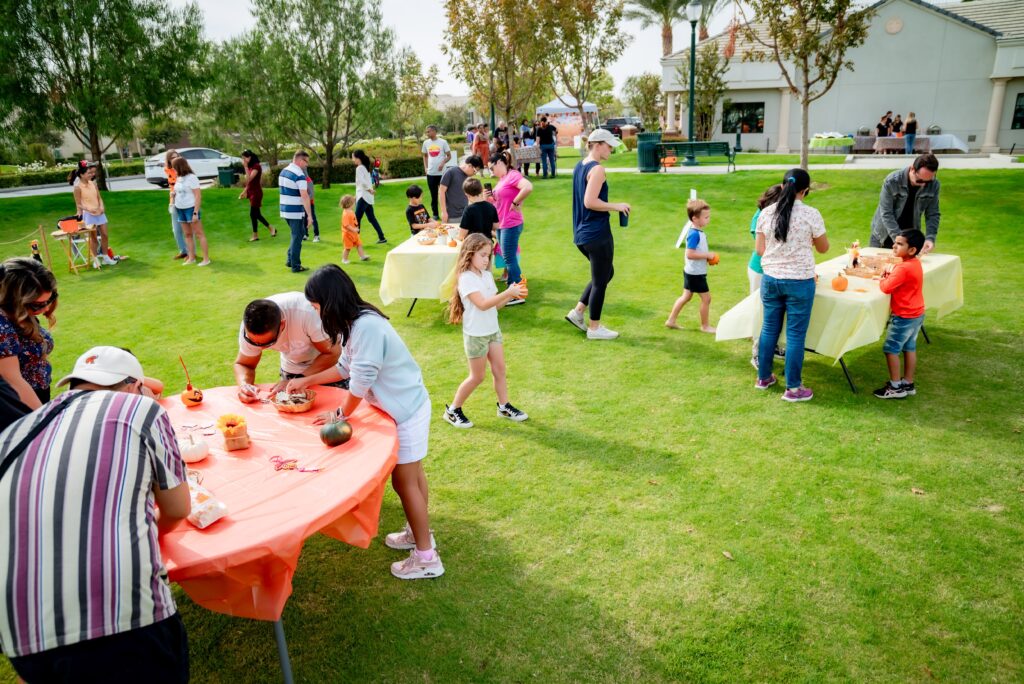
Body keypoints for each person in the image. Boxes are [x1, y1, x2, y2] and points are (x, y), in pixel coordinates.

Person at [0, 346, 191, 683]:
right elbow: (178, 509)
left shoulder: (12, 433)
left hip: (22, 636)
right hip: (123, 622)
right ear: (134, 385)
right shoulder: (139, 407)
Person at [287, 265, 443, 580]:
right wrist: (308, 380)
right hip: (406, 406)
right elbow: (346, 366)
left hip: (407, 411)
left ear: (329, 301)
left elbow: (360, 381)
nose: (316, 313)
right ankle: (417, 533)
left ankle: (427, 557)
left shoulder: (367, 328)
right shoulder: (353, 324)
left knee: (404, 482)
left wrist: (341, 416)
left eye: (316, 307)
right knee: (412, 478)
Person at [754, 168, 830, 402]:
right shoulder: (811, 214)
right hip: (800, 281)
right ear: (805, 190)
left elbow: (759, 250)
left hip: (771, 280)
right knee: (796, 335)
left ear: (783, 185)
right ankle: (794, 388)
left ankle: (764, 378)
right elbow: (823, 247)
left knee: (769, 329)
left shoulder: (766, 213)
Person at [443, 234, 529, 428]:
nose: (486, 259)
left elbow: (494, 306)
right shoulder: (466, 278)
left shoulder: (487, 275)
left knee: (500, 370)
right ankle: (453, 410)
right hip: (476, 335)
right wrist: (507, 292)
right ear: (470, 253)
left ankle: (504, 406)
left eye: (488, 256)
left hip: (492, 330)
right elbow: (481, 304)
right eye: (482, 255)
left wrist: (512, 294)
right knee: (477, 376)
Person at [565, 129, 630, 340]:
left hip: (582, 234)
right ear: (597, 144)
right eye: (609, 145)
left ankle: (578, 312)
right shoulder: (598, 169)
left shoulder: (580, 166)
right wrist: (617, 206)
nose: (611, 148)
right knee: (600, 281)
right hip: (596, 233)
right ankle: (594, 328)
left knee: (605, 273)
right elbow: (589, 202)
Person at [233, 293, 341, 403]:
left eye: (268, 343)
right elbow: (244, 364)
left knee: (335, 410)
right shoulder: (250, 326)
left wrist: (299, 380)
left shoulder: (309, 313)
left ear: (282, 324)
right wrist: (244, 385)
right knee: (290, 412)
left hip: (328, 368)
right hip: (292, 368)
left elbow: (333, 353)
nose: (260, 348)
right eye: (253, 342)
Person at [874, 229, 927, 399]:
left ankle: (895, 387)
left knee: (891, 349)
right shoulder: (915, 263)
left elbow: (886, 287)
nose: (893, 246)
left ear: (912, 250)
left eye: (899, 244)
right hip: (917, 313)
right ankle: (908, 382)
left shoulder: (903, 267)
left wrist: (882, 278)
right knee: (909, 347)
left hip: (903, 316)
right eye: (895, 242)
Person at [0, 258, 57, 409]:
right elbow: (13, 380)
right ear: (14, 299)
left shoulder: (21, 313)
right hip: (20, 402)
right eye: (37, 305)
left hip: (38, 392)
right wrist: (43, 420)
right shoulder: (2, 325)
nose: (45, 309)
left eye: (49, 300)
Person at [869, 153, 940, 254]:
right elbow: (886, 213)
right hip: (883, 236)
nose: (924, 185)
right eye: (920, 180)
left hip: (909, 238)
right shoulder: (892, 181)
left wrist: (930, 238)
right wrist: (900, 241)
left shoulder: (934, 185)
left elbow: (933, 214)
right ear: (912, 169)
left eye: (928, 181)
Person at [487, 150, 532, 305]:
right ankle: (512, 288)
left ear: (499, 163)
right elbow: (500, 202)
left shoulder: (513, 175)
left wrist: (516, 202)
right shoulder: (502, 179)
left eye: (491, 168)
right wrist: (491, 199)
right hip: (502, 223)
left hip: (511, 223)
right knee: (508, 258)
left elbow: (528, 187)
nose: (490, 172)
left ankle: (518, 293)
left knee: (509, 258)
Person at [747, 184, 785, 368]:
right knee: (761, 313)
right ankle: (757, 354)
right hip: (760, 270)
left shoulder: (780, 215)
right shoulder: (761, 216)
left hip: (774, 270)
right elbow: (761, 248)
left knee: (774, 313)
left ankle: (774, 346)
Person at [665, 199, 717, 333]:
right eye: (706, 217)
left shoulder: (698, 232)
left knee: (686, 297)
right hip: (695, 274)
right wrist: (707, 255)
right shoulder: (694, 234)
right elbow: (690, 254)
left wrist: (707, 258)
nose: (708, 220)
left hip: (692, 271)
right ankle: (705, 326)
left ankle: (671, 320)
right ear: (695, 218)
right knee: (707, 299)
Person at [70, 161, 117, 266]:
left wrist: (101, 207)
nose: (91, 175)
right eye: (89, 173)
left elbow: (99, 197)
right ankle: (95, 259)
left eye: (92, 173)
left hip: (99, 213)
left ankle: (106, 257)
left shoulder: (93, 183)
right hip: (89, 215)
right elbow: (79, 204)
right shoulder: (77, 187)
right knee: (94, 238)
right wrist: (89, 209)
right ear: (82, 174)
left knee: (105, 235)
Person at [171, 156, 211, 266]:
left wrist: (195, 212)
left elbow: (198, 196)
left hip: (190, 208)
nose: (173, 169)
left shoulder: (192, 177)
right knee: (187, 234)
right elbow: (178, 191)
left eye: (174, 167)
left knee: (199, 234)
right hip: (180, 209)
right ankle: (191, 257)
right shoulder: (178, 178)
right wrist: (174, 195)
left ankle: (206, 259)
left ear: (179, 167)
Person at [279, 150, 313, 273]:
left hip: (285, 209)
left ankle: (290, 260)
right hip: (295, 210)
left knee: (297, 234)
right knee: (297, 236)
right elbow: (304, 196)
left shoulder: (284, 171)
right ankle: (296, 265)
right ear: (300, 160)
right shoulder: (299, 175)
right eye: (306, 162)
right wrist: (309, 215)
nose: (307, 165)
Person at [239, 150, 276, 241]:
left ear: (250, 157)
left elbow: (248, 179)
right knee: (256, 214)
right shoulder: (251, 167)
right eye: (243, 158)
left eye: (245, 158)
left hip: (256, 193)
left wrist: (246, 167)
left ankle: (261, 233)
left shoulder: (256, 167)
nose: (244, 160)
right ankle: (268, 229)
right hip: (251, 192)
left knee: (253, 214)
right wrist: (244, 191)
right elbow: (249, 183)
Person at [352, 149, 387, 244]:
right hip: (366, 196)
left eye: (353, 157)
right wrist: (356, 195)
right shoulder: (364, 167)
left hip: (364, 197)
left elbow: (363, 183)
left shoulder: (359, 168)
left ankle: (356, 240)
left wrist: (369, 190)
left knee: (356, 219)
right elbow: (362, 183)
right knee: (371, 218)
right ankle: (382, 237)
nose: (352, 160)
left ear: (358, 158)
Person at [439, 154, 483, 225]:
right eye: (475, 171)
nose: (475, 174)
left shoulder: (468, 177)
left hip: (465, 213)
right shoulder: (451, 172)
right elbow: (441, 192)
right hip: (451, 216)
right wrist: (444, 212)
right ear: (470, 165)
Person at [421, 125, 452, 220]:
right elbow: (425, 156)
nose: (427, 133)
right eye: (426, 132)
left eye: (429, 131)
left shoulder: (443, 142)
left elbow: (449, 156)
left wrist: (443, 163)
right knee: (433, 195)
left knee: (445, 194)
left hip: (442, 173)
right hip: (431, 174)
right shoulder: (426, 143)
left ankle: (447, 213)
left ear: (434, 131)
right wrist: (426, 168)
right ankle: (435, 214)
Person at [165, 150, 189, 259]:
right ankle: (183, 250)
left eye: (177, 156)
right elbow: (171, 187)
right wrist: (171, 201)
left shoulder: (183, 170)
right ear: (169, 160)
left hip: (185, 202)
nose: (175, 159)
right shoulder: (168, 170)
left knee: (187, 229)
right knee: (176, 230)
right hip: (173, 201)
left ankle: (190, 252)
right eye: (172, 158)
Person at [340, 194, 369, 264]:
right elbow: (346, 225)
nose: (354, 204)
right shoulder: (346, 214)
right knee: (347, 248)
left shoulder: (350, 211)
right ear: (349, 204)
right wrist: (354, 229)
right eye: (353, 203)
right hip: (348, 234)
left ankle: (362, 256)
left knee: (359, 244)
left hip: (354, 234)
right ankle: (344, 259)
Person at [304, 171, 321, 242]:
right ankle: (305, 234)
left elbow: (311, 194)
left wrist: (306, 199)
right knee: (304, 218)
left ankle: (316, 235)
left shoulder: (308, 180)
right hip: (303, 203)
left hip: (310, 203)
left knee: (312, 218)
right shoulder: (301, 180)